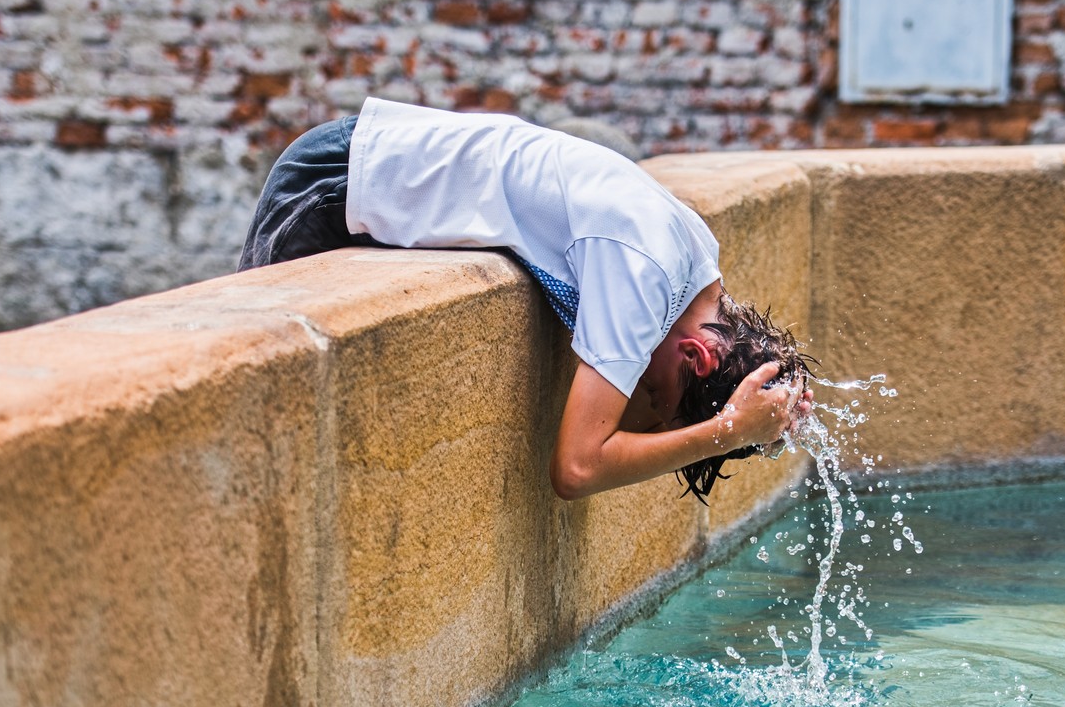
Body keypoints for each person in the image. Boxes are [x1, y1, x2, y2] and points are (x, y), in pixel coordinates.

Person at [238, 98, 813, 502]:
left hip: (364, 161)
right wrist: (730, 430)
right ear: (697, 356)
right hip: (335, 180)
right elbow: (578, 467)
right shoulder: (644, 274)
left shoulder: (697, 274)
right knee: (256, 391)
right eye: (658, 392)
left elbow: (666, 394)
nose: (642, 397)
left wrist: (772, 406)